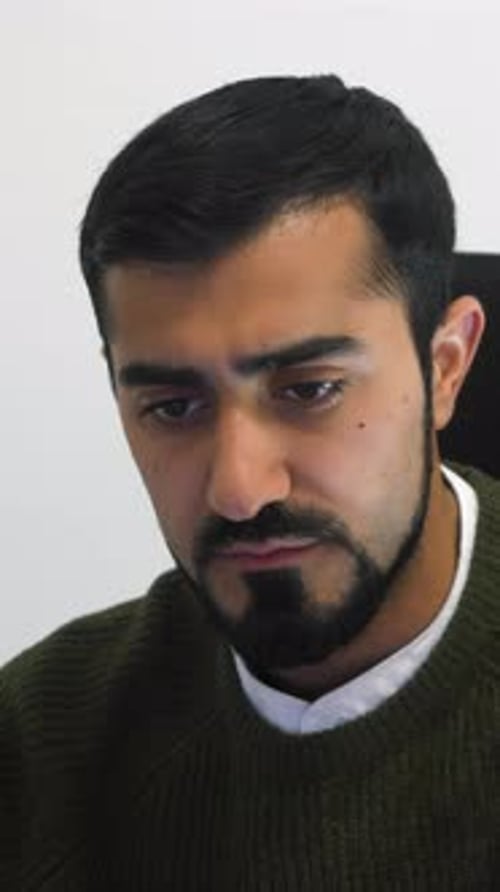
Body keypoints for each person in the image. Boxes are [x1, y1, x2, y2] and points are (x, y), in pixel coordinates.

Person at [1, 75, 498, 891]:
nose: (239, 490)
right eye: (172, 406)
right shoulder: (44, 737)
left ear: (445, 367)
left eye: (309, 390)